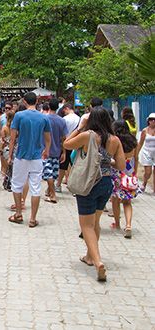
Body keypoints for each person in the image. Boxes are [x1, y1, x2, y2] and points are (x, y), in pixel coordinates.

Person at [64, 107, 125, 282]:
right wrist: (106, 160)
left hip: (88, 183)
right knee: (95, 222)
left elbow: (67, 144)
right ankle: (90, 256)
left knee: (87, 225)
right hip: (106, 184)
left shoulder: (88, 135)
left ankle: (97, 261)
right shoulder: (115, 140)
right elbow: (120, 165)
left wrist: (80, 127)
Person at [8, 92, 51, 227]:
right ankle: (32, 218)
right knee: (36, 187)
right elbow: (48, 139)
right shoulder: (43, 118)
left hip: (21, 155)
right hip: (37, 157)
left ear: (25, 102)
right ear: (37, 101)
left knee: (17, 184)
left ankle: (19, 214)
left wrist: (9, 155)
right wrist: (46, 151)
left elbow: (13, 138)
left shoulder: (19, 116)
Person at [110, 120, 139, 238]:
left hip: (117, 173)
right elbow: (136, 158)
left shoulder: (115, 140)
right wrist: (135, 171)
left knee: (115, 200)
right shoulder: (133, 141)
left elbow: (112, 157)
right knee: (127, 202)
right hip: (129, 174)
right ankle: (128, 225)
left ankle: (117, 224)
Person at [43, 98, 68, 203]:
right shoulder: (62, 121)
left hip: (45, 150)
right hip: (57, 150)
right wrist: (64, 152)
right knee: (53, 172)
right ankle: (50, 191)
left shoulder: (44, 119)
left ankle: (52, 194)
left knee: (48, 173)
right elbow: (64, 138)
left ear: (48, 106)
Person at [56, 103, 81, 192]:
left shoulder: (64, 119)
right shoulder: (79, 119)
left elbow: (62, 134)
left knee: (63, 165)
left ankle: (58, 185)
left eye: (64, 111)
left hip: (66, 144)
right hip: (77, 143)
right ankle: (76, 187)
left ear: (67, 108)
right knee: (75, 165)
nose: (64, 112)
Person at [138, 112, 155, 192]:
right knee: (148, 172)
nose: (153, 121)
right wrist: (136, 153)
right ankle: (144, 183)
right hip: (147, 152)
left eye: (154, 119)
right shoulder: (145, 131)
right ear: (148, 121)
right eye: (151, 119)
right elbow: (141, 143)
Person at [0, 110, 14, 177]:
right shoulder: (15, 128)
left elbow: (2, 140)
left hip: (6, 148)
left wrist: (0, 149)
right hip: (14, 148)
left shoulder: (4, 128)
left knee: (4, 167)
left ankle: (5, 181)